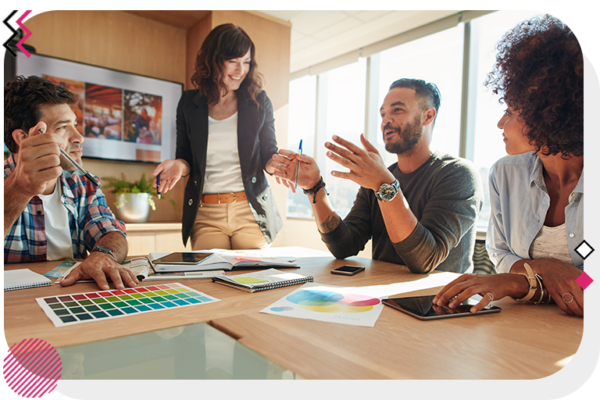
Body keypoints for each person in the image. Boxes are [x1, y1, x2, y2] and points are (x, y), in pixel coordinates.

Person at [433, 14, 584, 317]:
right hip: (521, 324)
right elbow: (499, 253)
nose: (500, 122)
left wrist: (521, 283)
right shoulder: (505, 173)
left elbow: (587, 287)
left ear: (551, 111)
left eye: (512, 111)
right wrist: (547, 270)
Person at [272, 78, 483, 274]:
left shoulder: (458, 174)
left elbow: (424, 260)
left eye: (397, 110)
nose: (386, 121)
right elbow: (344, 245)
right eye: (382, 114)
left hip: (439, 307)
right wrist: (314, 186)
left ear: (427, 116)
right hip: (383, 298)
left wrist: (384, 185)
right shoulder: (380, 177)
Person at [153, 24, 283, 250]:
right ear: (213, 60)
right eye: (233, 61)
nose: (240, 70)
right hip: (206, 214)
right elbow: (185, 158)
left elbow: (268, 155)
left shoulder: (259, 102)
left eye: (246, 62)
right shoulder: (188, 103)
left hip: (250, 211)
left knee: (254, 279)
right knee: (208, 280)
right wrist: (177, 165)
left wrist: (280, 165)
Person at [3, 75, 138, 291]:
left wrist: (102, 254)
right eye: (62, 127)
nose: (79, 137)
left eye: (75, 125)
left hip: (69, 296)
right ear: (23, 138)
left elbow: (110, 231)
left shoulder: (83, 183)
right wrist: (20, 188)